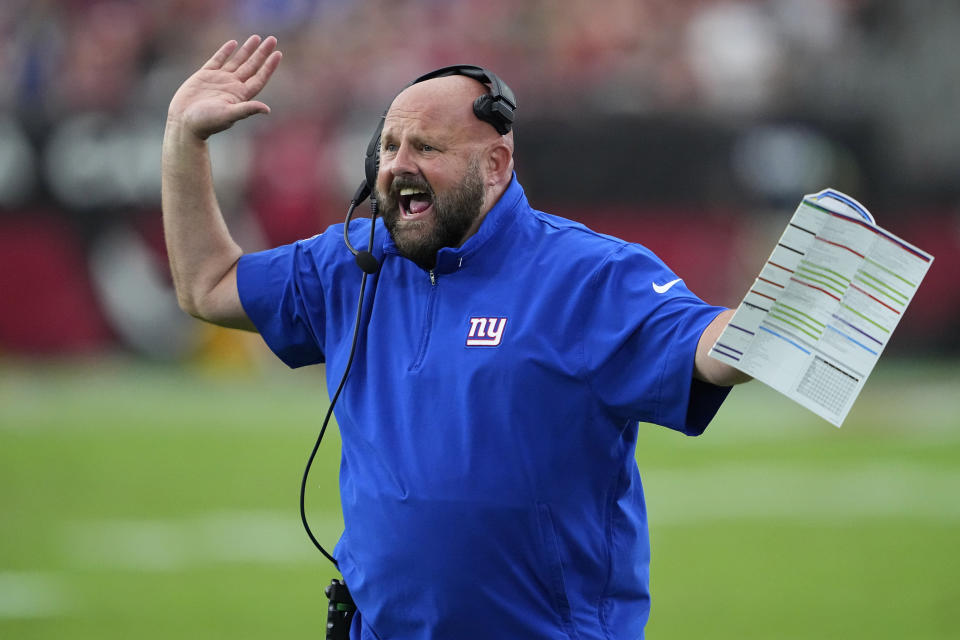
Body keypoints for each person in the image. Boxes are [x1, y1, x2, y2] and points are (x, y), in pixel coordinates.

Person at [162, 35, 752, 640]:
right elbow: (208, 285)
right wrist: (184, 137)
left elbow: (704, 342)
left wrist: (784, 322)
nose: (396, 166)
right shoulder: (355, 263)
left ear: (494, 165)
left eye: (425, 147)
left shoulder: (586, 274)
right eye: (388, 147)